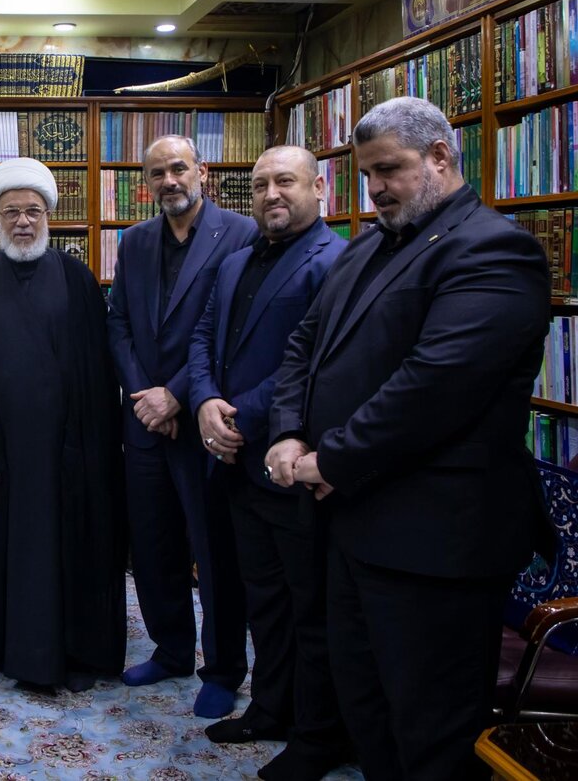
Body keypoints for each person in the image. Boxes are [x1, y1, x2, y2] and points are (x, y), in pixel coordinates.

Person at [267, 96, 551, 780]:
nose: (377, 188)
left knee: (431, 731)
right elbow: (305, 343)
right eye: (367, 174)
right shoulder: (369, 243)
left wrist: (326, 459)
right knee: (368, 714)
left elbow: (432, 386)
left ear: (441, 156)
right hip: (354, 527)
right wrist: (286, 431)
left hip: (437, 544)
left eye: (390, 169)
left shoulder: (496, 249)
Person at [188, 146, 349, 781]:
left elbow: (306, 363)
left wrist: (236, 417)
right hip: (234, 465)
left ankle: (318, 735)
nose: (271, 194)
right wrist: (203, 401)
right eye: (259, 185)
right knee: (266, 603)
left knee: (310, 608)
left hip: (291, 462)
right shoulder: (233, 262)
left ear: (319, 186)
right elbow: (204, 337)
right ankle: (271, 709)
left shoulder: (335, 261)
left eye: (285, 181)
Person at [0, 157, 125, 692]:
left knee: (66, 547)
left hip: (67, 453)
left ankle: (69, 647)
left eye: (32, 211)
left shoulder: (78, 278)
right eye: (11, 212)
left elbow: (98, 374)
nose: (23, 221)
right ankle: (1, 644)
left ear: (49, 214)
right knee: (2, 548)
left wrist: (93, 450)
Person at [107, 135, 258, 717]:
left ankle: (221, 668)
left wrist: (175, 396)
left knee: (212, 548)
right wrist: (145, 397)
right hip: (144, 422)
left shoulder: (240, 235)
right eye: (156, 173)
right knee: (151, 543)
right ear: (146, 183)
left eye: (177, 168)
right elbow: (117, 323)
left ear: (203, 172)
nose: (168, 180)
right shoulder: (136, 240)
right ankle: (170, 649)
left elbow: (231, 333)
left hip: (203, 420)